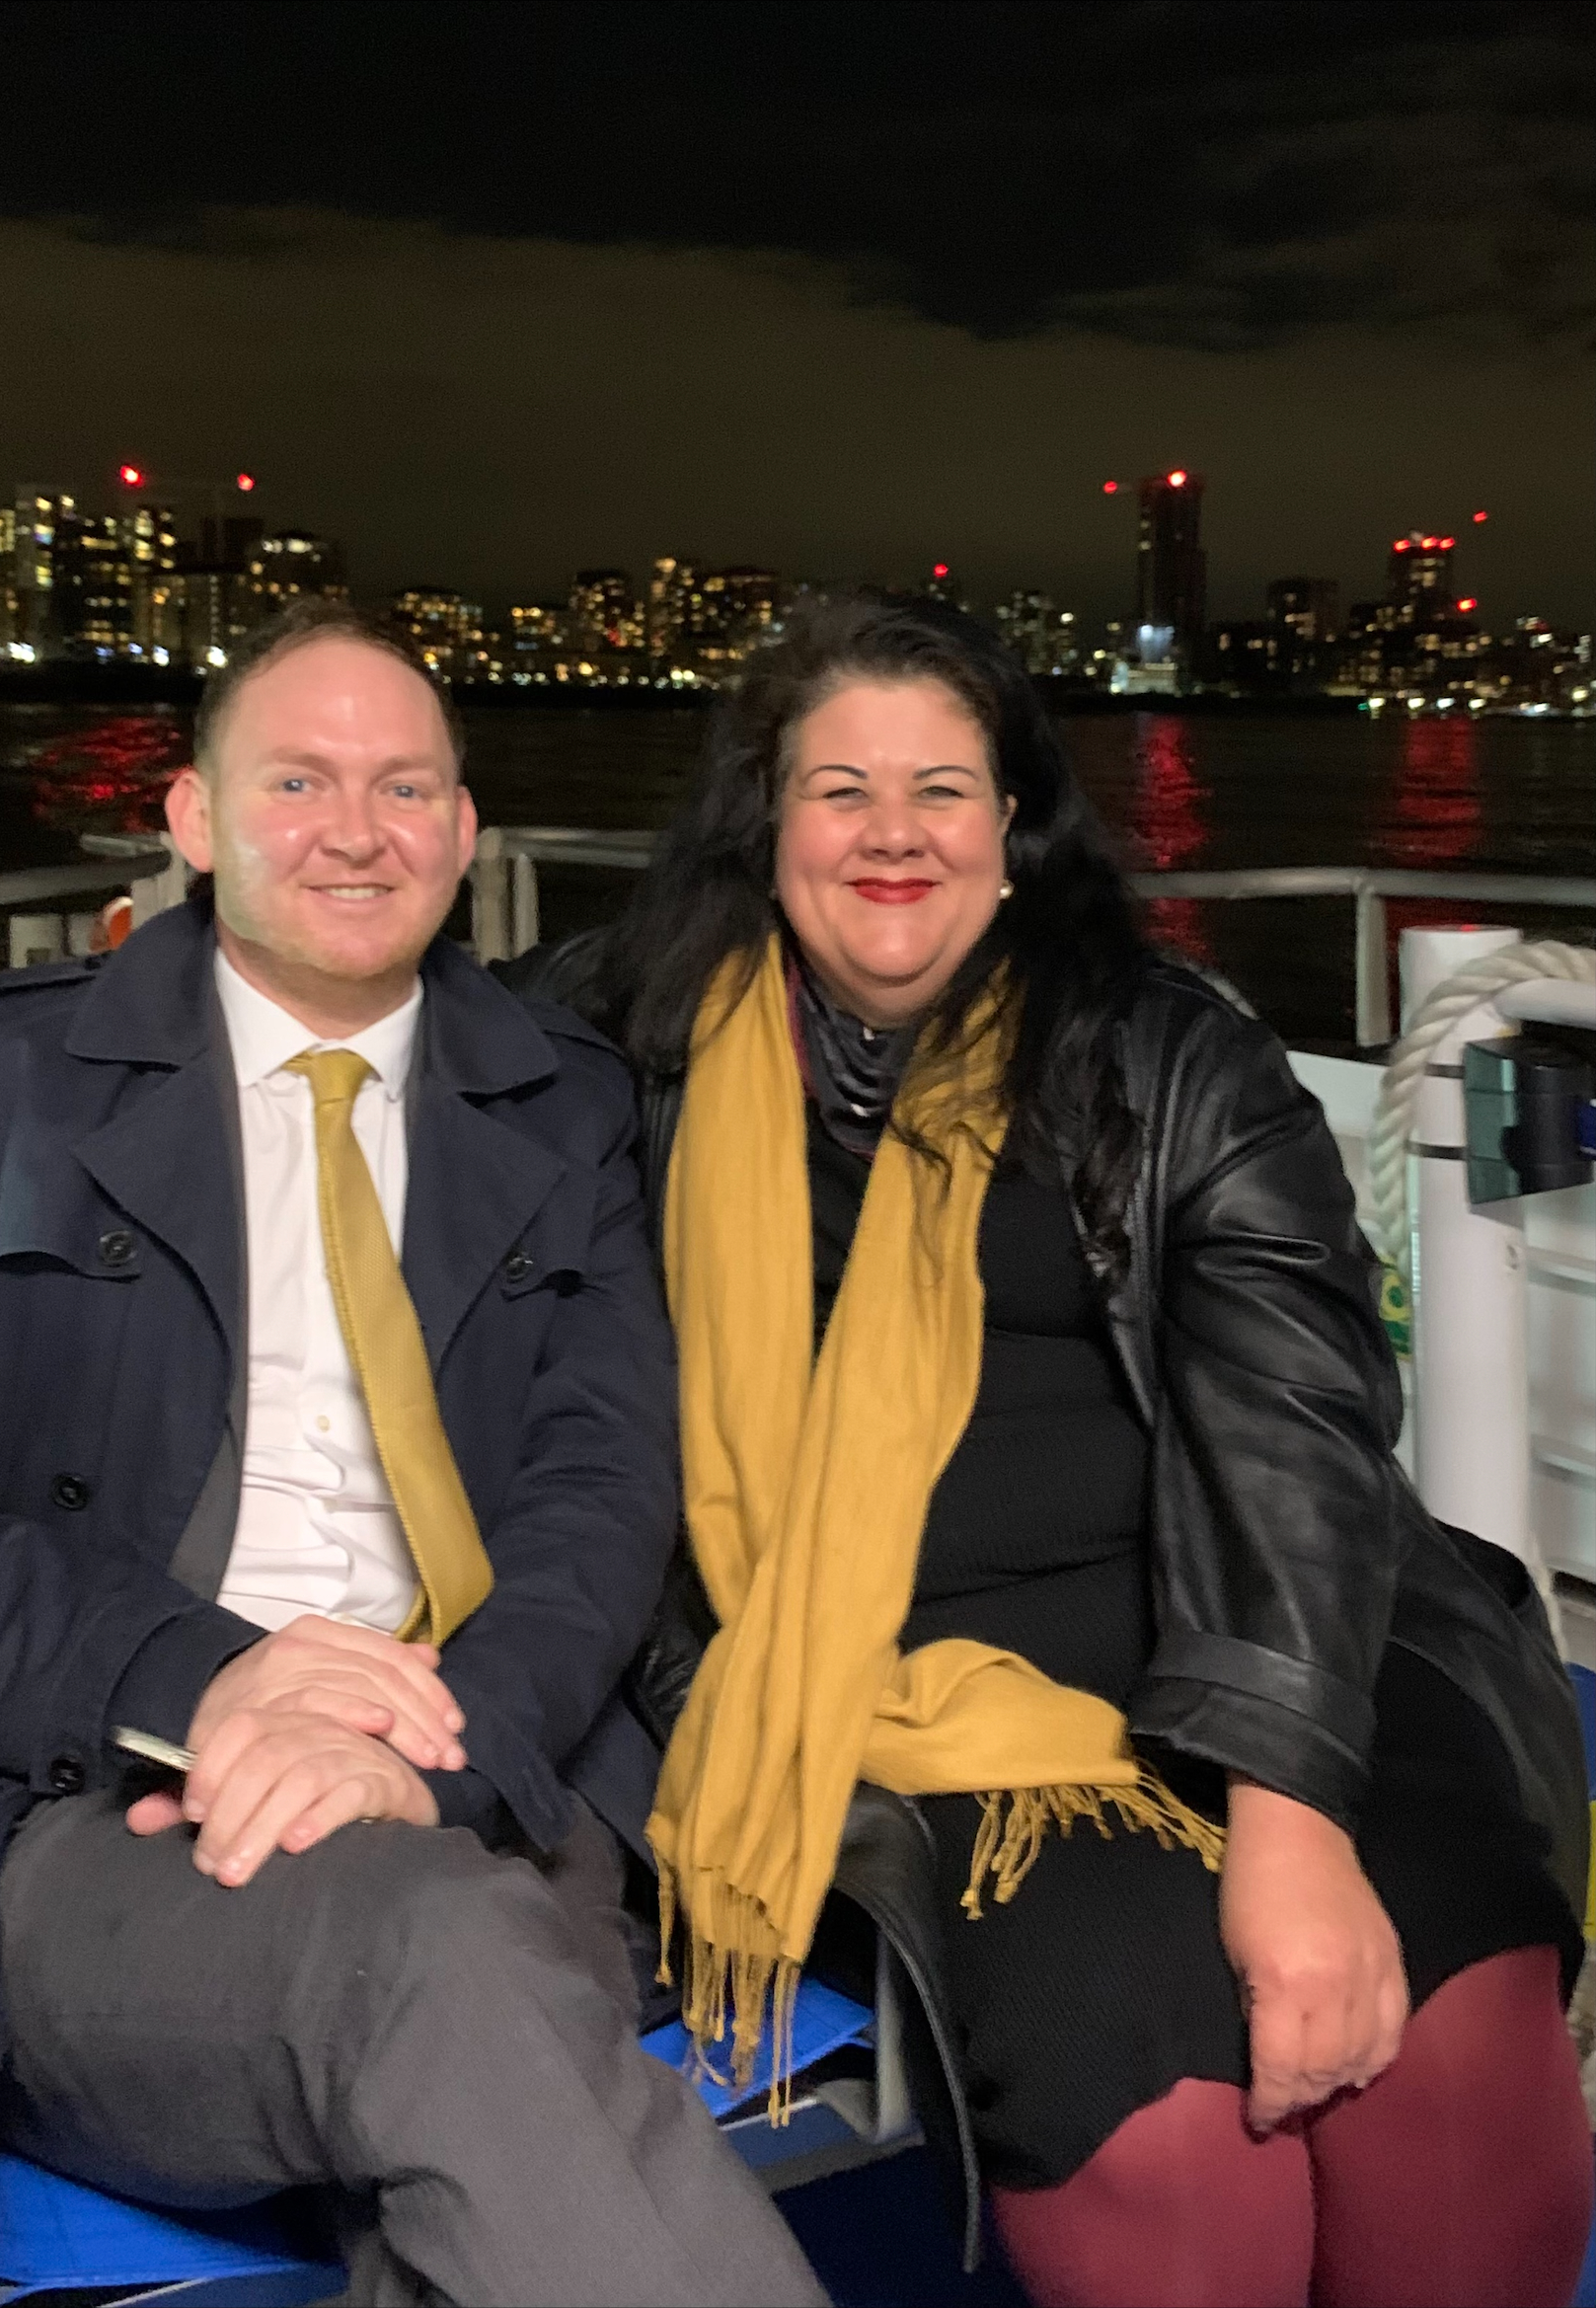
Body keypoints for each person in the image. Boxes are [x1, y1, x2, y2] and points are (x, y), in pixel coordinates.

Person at [0, 600, 825, 2308]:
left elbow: (599, 1498)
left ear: (464, 836)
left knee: (461, 2026)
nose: (355, 830)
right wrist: (205, 1677)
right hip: (119, 1806)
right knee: (448, 1968)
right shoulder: (13, 1074)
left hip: (480, 1775)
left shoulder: (566, 1102)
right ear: (189, 817)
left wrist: (434, 1751)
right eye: (298, 780)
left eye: (405, 788)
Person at [570, 592, 1592, 2308]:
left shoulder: (1164, 1046)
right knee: (1159, 2094)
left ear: (1013, 827)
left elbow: (1297, 1420)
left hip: (1259, 1617)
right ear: (765, 826)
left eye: (943, 787)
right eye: (839, 787)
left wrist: (1283, 1808)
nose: (892, 831)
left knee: (1446, 2016)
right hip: (892, 1679)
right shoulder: (624, 1044)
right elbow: (375, 1014)